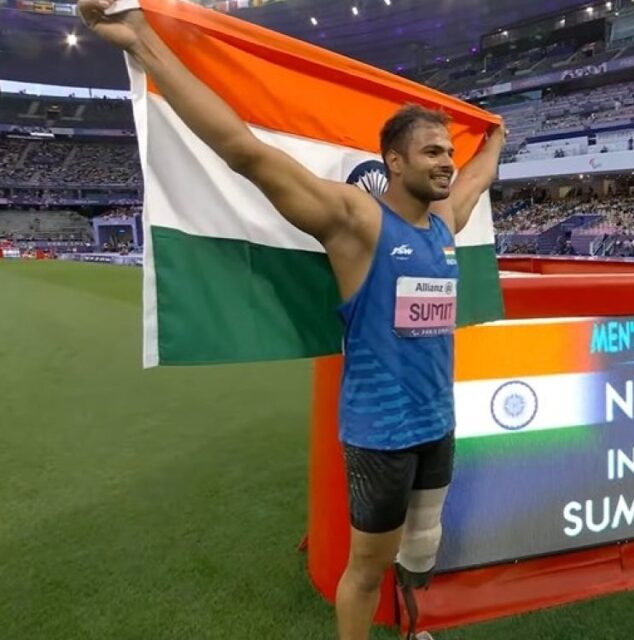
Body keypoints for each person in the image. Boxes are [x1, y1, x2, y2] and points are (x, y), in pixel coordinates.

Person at [77, 2, 505, 639]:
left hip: (437, 423)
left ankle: (412, 628)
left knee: (422, 552)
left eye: (449, 151)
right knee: (367, 570)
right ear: (393, 161)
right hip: (382, 433)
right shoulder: (355, 221)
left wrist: (493, 137)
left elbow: (478, 178)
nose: (447, 161)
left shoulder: (444, 225)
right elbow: (244, 151)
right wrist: (142, 42)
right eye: (432, 151)